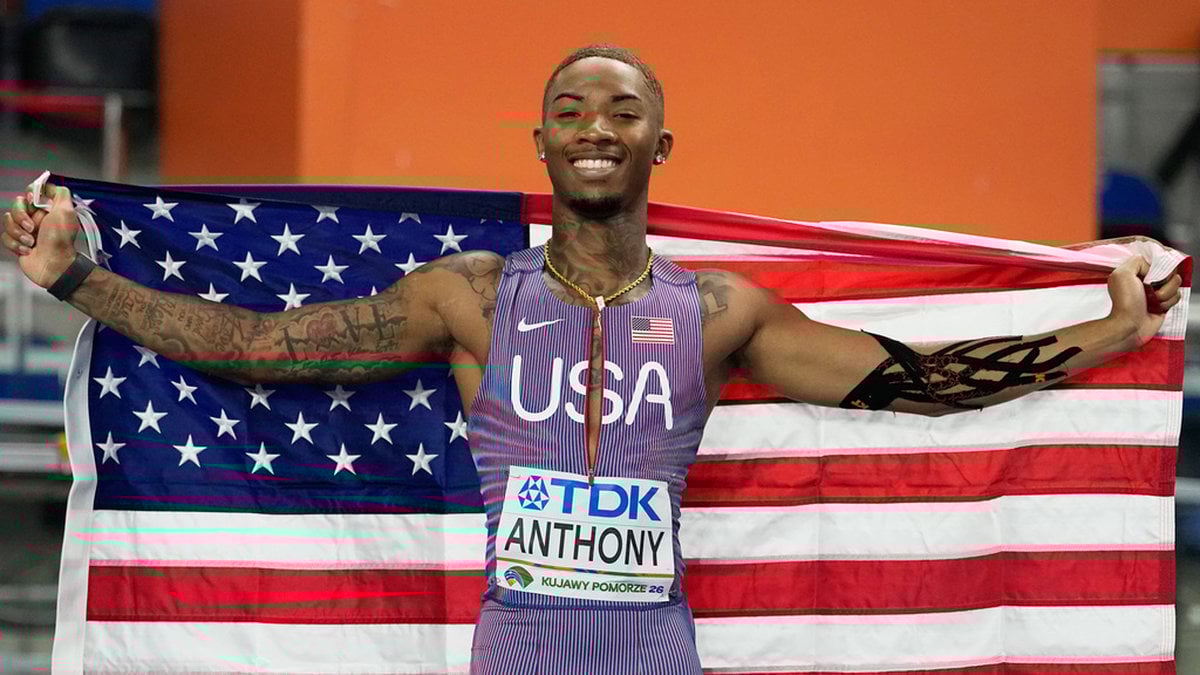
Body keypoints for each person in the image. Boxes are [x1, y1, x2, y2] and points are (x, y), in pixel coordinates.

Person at [2, 45, 1184, 675]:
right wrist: (72, 280)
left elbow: (912, 381)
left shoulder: (718, 310)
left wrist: (1112, 333)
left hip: (656, 653)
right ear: (542, 142)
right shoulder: (471, 297)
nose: (595, 128)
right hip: (517, 652)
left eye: (621, 110)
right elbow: (258, 348)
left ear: (660, 143)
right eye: (570, 110)